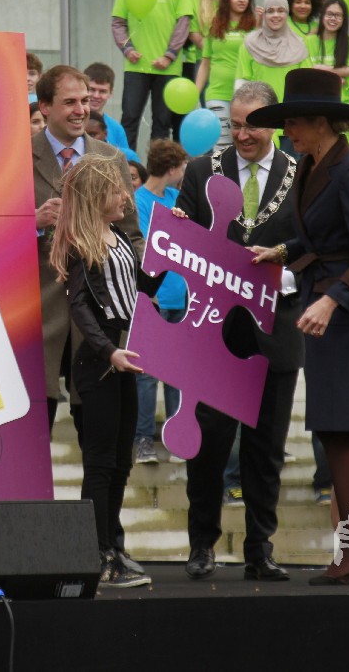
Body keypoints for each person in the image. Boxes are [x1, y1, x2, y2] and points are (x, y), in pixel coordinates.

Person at [248, 68, 349, 585]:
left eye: (294, 122)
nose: (286, 131)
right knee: (334, 431)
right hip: (326, 308)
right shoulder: (313, 165)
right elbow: (319, 238)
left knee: (339, 430)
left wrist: (332, 301)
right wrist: (281, 251)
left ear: (321, 123)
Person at [176, 80, 303, 581]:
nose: (243, 134)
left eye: (252, 125)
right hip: (215, 331)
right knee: (208, 447)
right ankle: (201, 545)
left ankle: (260, 550)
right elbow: (184, 245)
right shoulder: (200, 170)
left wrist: (275, 275)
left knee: (266, 450)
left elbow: (314, 248)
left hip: (277, 329)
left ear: (274, 122)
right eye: (234, 125)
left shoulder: (303, 173)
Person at [49, 153, 162, 588]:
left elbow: (142, 285)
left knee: (119, 461)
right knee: (99, 462)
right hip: (100, 360)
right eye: (117, 191)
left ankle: (112, 545)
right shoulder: (82, 244)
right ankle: (97, 555)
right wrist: (108, 351)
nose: (125, 198)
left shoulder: (119, 237)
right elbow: (78, 305)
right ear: (97, 196)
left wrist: (172, 246)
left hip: (123, 354)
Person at [33, 66, 140, 434]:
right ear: (44, 106)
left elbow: (132, 235)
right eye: (70, 102)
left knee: (100, 440)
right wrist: (32, 221)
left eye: (84, 101)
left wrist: (143, 284)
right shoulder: (16, 156)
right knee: (33, 437)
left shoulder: (112, 158)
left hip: (101, 321)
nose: (81, 110)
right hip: (37, 317)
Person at [133, 139, 189, 464]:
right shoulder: (138, 201)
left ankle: (175, 436)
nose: (183, 174)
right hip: (153, 297)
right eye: (181, 168)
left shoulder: (176, 198)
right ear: (171, 169)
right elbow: (148, 245)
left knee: (176, 372)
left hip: (180, 295)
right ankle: (143, 439)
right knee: (146, 372)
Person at [111, 0, 195, 149]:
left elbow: (183, 23)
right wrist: (127, 49)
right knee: (129, 119)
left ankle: (157, 169)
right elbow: (118, 22)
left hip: (168, 68)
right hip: (136, 66)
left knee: (162, 124)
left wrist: (169, 55)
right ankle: (126, 166)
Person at [233, 0, 311, 154]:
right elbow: (241, 84)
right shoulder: (250, 45)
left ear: (287, 14)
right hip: (259, 125)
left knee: (292, 168)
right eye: (270, 11)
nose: (276, 15)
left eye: (281, 11)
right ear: (264, 14)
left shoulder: (300, 46)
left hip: (292, 124)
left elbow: (307, 86)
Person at [195, 0, 257, 152]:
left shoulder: (255, 27)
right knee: (221, 148)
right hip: (217, 94)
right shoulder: (215, 26)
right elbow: (205, 64)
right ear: (227, 0)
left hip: (245, 97)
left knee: (244, 147)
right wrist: (195, 93)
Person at [305, 0, 349, 105]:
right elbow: (308, 71)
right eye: (329, 14)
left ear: (344, 19)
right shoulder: (309, 41)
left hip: (341, 101)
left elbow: (348, 70)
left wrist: (321, 68)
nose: (333, 18)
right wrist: (336, 76)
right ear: (322, 16)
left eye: (338, 15)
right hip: (314, 100)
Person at [84, 62, 131, 153]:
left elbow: (127, 159)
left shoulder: (117, 129)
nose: (96, 96)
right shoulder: (70, 122)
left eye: (102, 91)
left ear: (111, 93)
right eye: (92, 89)